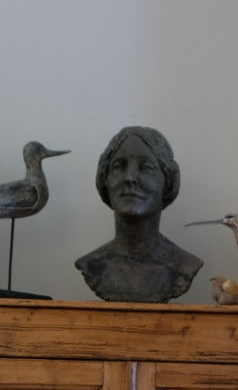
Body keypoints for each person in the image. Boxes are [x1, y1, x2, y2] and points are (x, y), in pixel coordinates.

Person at [75, 126, 203, 303]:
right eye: (119, 166)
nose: (130, 177)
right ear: (104, 179)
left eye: (146, 167)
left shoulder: (184, 266)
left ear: (168, 181)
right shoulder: (92, 265)